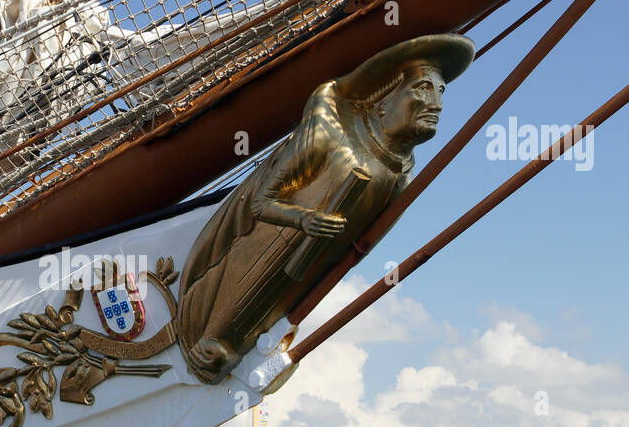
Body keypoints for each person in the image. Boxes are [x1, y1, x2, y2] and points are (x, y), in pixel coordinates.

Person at [176, 34, 475, 384]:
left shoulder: (401, 172)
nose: (436, 103)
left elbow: (353, 252)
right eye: (423, 88)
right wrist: (306, 219)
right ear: (384, 98)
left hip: (284, 294)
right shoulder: (328, 132)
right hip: (240, 276)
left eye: (441, 92)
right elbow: (259, 202)